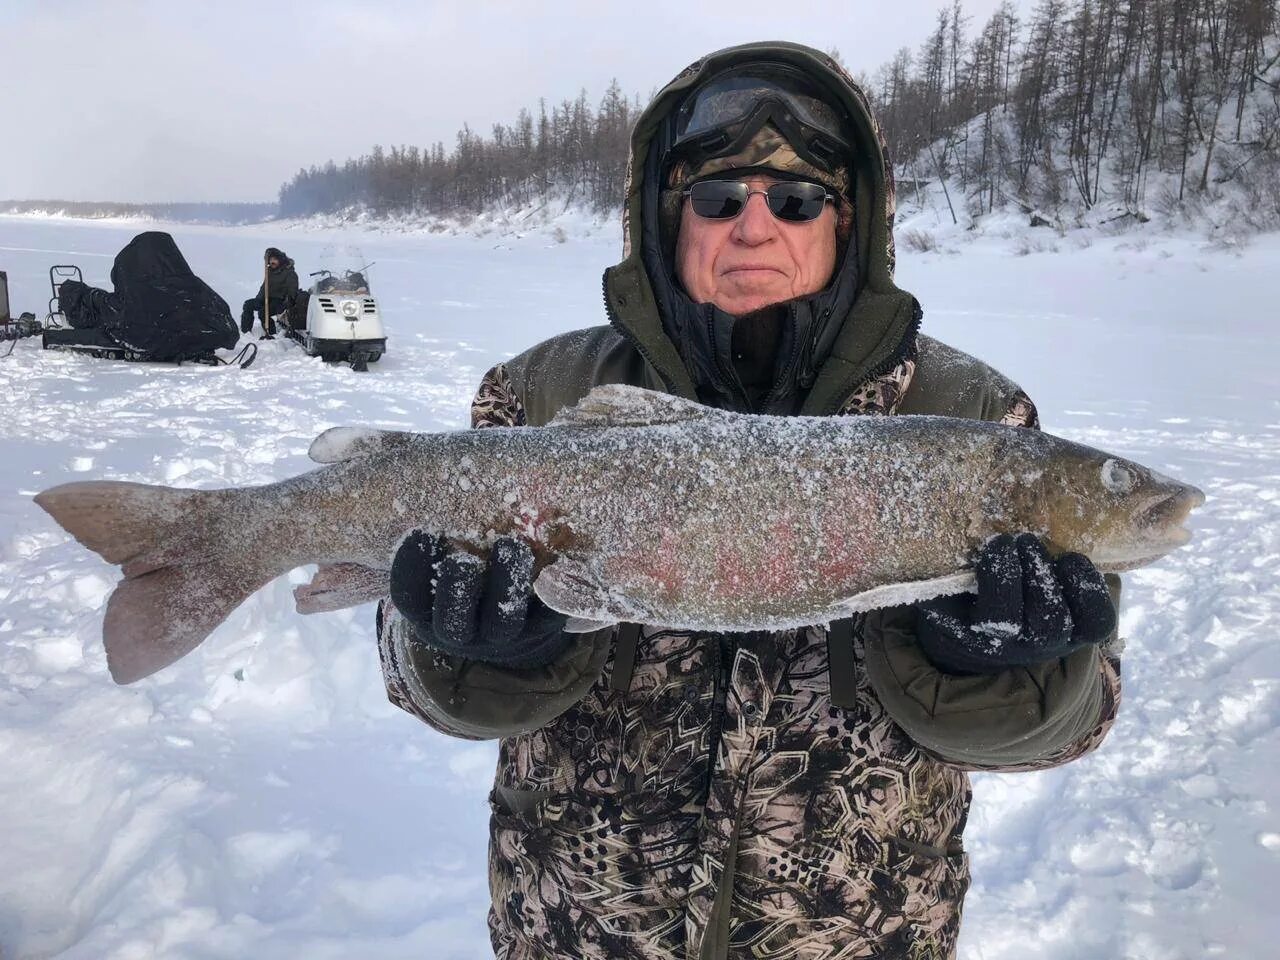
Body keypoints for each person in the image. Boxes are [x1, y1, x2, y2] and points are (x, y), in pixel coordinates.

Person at [376, 41, 1122, 959]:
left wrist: (1004, 675)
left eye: (797, 200)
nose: (755, 228)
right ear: (666, 221)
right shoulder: (539, 395)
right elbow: (414, 672)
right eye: (719, 199)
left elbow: (1072, 726)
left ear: (849, 225)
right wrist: (465, 650)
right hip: (577, 932)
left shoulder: (973, 416)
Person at [240, 247, 298, 337]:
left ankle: (271, 333)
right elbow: (264, 288)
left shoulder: (289, 273)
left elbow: (292, 291)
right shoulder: (269, 271)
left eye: (275, 259)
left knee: (263, 313)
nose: (272, 262)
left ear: (280, 260)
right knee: (248, 304)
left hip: (280, 301)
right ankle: (245, 332)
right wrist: (258, 300)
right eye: (270, 260)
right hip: (267, 298)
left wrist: (286, 304)